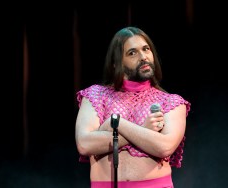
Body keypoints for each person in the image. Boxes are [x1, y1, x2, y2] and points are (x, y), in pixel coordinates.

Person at [75, 26, 191, 188]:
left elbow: (165, 147)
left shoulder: (170, 102)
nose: (143, 57)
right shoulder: (96, 95)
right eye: (132, 53)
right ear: (116, 63)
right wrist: (144, 129)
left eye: (146, 49)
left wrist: (117, 124)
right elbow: (85, 144)